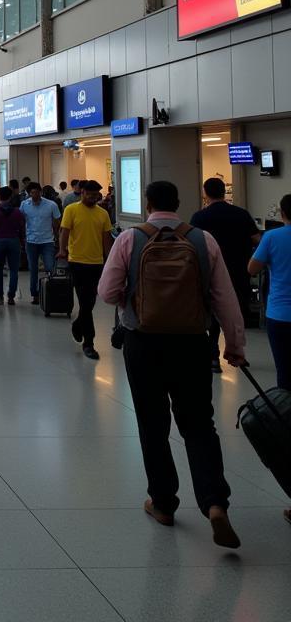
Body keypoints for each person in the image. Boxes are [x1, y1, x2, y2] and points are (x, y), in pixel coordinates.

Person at [98, 180, 246, 549]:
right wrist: (235, 345)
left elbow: (106, 292)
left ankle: (163, 503)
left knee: (152, 423)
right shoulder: (202, 240)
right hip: (192, 343)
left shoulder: (130, 240)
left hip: (143, 342)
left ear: (147, 204)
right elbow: (225, 298)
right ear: (179, 202)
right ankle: (214, 502)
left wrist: (128, 301)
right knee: (198, 424)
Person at [190, 178, 260, 373]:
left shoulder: (199, 217)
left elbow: (192, 245)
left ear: (205, 193)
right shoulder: (241, 214)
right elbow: (256, 239)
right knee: (237, 313)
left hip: (210, 273)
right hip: (239, 271)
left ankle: (213, 357)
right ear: (223, 192)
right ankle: (239, 353)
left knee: (211, 316)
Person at [58, 180, 113, 360]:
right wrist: (62, 250)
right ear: (82, 193)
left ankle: (78, 324)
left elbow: (106, 239)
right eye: (89, 194)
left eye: (95, 195)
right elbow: (64, 232)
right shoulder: (71, 210)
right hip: (77, 262)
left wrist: (110, 260)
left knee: (90, 302)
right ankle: (89, 343)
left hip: (97, 263)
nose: (93, 197)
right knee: (85, 301)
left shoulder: (103, 214)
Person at [248, 193, 291, 392]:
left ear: (282, 213)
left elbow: (252, 269)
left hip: (280, 314)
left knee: (284, 370)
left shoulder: (272, 237)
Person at [20, 181, 61, 304]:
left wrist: (58, 238)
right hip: (31, 241)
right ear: (29, 193)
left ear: (41, 192)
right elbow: (21, 222)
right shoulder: (24, 204)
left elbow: (57, 222)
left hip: (47, 241)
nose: (34, 195)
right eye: (32, 193)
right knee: (33, 269)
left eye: (36, 192)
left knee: (49, 267)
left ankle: (51, 292)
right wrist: (22, 238)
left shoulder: (51, 205)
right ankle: (35, 294)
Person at [0, 187, 25, 306]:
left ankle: (0, 296)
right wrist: (22, 240)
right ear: (10, 196)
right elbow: (22, 227)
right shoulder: (17, 211)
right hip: (14, 241)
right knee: (13, 270)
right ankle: (11, 296)